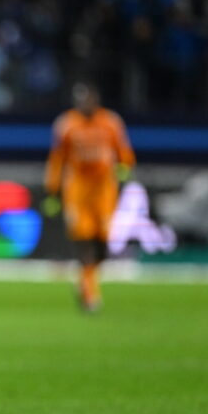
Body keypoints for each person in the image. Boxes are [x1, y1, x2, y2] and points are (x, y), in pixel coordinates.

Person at [44, 81, 135, 312]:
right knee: (84, 241)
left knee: (102, 243)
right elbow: (57, 159)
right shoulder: (66, 124)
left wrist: (125, 169)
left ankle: (87, 279)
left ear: (96, 99)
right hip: (78, 190)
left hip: (104, 190)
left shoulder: (111, 122)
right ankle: (89, 292)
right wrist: (52, 190)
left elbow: (124, 152)